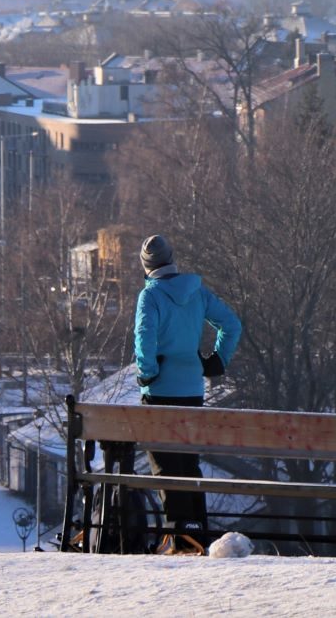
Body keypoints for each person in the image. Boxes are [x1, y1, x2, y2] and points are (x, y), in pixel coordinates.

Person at [132, 233, 241, 549]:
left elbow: (144, 339)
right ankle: (199, 534)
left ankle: (180, 537)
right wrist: (217, 360)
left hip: (160, 392)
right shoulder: (197, 292)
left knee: (166, 468)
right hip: (192, 391)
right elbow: (231, 324)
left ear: (146, 265)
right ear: (171, 259)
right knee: (188, 464)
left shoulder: (150, 296)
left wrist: (148, 374)